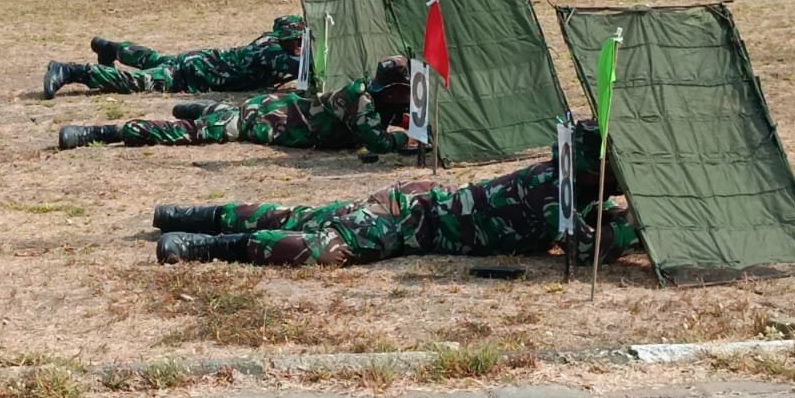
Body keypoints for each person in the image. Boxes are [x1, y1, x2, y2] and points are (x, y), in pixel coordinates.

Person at [153, 120, 641, 267]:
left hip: (418, 203)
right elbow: (583, 248)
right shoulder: (558, 193)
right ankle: (202, 243)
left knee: (302, 215)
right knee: (316, 247)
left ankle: (192, 215)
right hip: (412, 222)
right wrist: (635, 229)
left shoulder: (565, 184)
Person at [58, 56, 414, 154]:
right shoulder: (360, 101)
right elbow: (378, 142)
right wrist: (404, 139)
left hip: (268, 107)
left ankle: (202, 107)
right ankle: (100, 132)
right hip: (262, 120)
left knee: (218, 115)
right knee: (193, 135)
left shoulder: (365, 94)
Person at [42, 15, 306, 98]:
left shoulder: (270, 41)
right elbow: (302, 69)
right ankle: (71, 71)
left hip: (198, 61)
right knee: (140, 82)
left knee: (154, 59)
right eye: (295, 42)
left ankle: (111, 48)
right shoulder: (273, 52)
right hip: (192, 74)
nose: (298, 46)